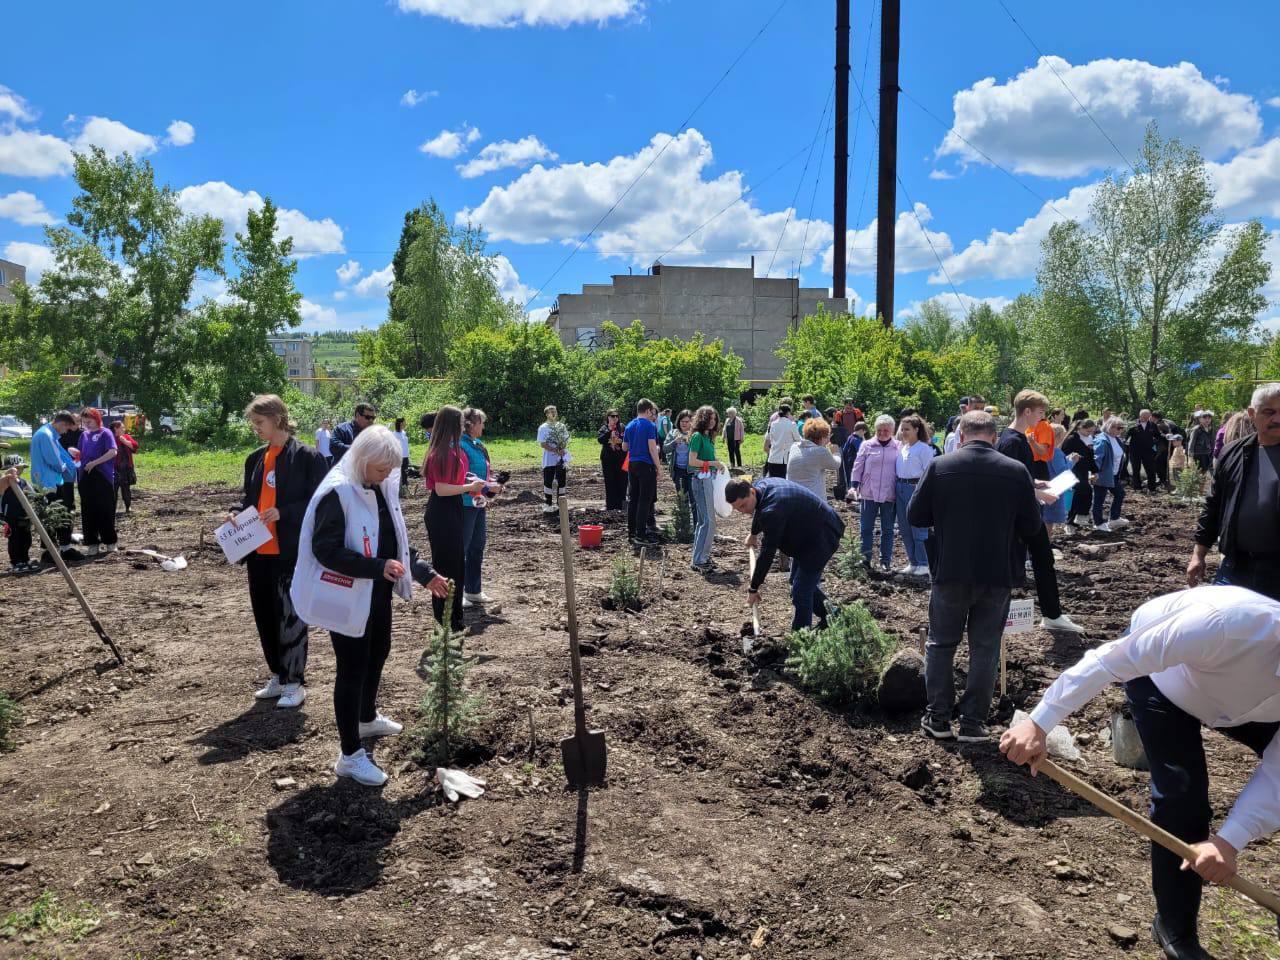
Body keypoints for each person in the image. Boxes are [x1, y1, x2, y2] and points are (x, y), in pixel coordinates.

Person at [1000, 585, 1280, 960]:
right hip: (1165, 682)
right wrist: (1039, 722)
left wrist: (1229, 841)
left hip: (1250, 707)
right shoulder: (1220, 625)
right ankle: (1176, 929)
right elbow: (1108, 661)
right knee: (1181, 795)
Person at [293, 425, 451, 787]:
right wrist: (375, 567)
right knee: (351, 669)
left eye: (389, 471)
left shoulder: (378, 486)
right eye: (381, 469)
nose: (386, 477)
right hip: (347, 595)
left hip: (377, 592)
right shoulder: (338, 492)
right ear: (363, 460)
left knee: (379, 650)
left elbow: (394, 538)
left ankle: (366, 717)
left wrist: (423, 574)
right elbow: (326, 549)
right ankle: (350, 755)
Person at [908, 411, 1043, 741]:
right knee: (985, 648)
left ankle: (937, 719)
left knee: (941, 644)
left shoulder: (941, 467)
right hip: (997, 573)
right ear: (994, 438)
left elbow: (915, 515)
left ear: (961, 434)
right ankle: (973, 723)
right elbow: (1033, 526)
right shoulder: (1015, 471)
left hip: (951, 569)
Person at [226, 394, 328, 709]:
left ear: (278, 419)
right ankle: (277, 674)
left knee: (290, 616)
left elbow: (321, 502)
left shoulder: (308, 458)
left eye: (259, 422)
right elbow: (248, 500)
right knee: (265, 616)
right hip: (257, 552)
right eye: (253, 423)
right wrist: (234, 513)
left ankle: (294, 680)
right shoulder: (254, 459)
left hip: (291, 552)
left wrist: (285, 512)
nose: (255, 428)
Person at [998, 390, 1085, 633]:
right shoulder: (1013, 441)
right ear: (1027, 411)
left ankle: (1052, 614)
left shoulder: (1016, 438)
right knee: (1018, 564)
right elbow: (1007, 482)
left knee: (1042, 559)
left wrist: (1035, 483)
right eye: (1040, 412)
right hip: (1018, 515)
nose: (1043, 417)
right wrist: (1038, 493)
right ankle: (1044, 614)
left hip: (1026, 510)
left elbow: (1018, 476)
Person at [1188, 383, 1280, 600]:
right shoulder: (1234, 453)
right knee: (1224, 627)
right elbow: (1213, 506)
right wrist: (1198, 555)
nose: (1277, 419)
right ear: (1252, 414)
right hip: (1235, 567)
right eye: (1269, 412)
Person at [727, 476, 845, 631]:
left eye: (743, 505)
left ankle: (802, 641)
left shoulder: (773, 509)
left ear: (751, 492)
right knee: (798, 584)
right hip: (807, 534)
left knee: (801, 592)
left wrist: (753, 588)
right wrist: (754, 533)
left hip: (822, 537)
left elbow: (767, 553)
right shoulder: (762, 487)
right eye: (738, 509)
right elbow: (758, 508)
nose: (743, 511)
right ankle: (833, 615)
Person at [423, 406, 486, 632]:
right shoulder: (441, 453)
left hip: (452, 508)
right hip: (442, 511)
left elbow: (452, 485)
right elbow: (441, 489)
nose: (463, 428)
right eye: (460, 424)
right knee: (447, 567)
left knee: (456, 565)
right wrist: (469, 486)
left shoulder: (449, 451)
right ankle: (445, 621)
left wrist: (477, 488)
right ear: (451, 425)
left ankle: (454, 619)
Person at [460, 407, 503, 610]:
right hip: (464, 503)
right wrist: (487, 486)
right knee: (462, 547)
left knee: (477, 545)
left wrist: (492, 482)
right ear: (470, 424)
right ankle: (457, 591)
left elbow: (481, 472)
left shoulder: (477, 445)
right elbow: (465, 475)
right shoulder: (460, 445)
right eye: (481, 422)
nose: (483, 426)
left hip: (478, 502)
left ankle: (473, 590)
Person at [848, 415, 899, 570]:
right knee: (866, 528)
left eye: (886, 430)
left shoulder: (898, 446)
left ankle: (885, 561)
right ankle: (865, 559)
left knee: (888, 529)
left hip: (889, 493)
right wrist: (854, 486)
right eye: (879, 430)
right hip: (868, 492)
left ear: (892, 430)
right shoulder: (867, 445)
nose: (882, 433)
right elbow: (858, 466)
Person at [29, 411, 79, 553]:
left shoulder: (46, 433)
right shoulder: (47, 435)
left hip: (47, 480)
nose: (65, 432)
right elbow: (55, 461)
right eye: (66, 428)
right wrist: (68, 467)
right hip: (49, 482)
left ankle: (50, 550)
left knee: (50, 515)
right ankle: (61, 549)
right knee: (57, 515)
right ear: (61, 423)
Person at [894, 415, 934, 576]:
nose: (903, 432)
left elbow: (929, 472)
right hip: (900, 487)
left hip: (915, 488)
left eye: (907, 429)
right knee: (905, 528)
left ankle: (924, 563)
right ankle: (913, 562)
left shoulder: (923, 448)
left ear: (917, 430)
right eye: (902, 429)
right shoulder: (903, 447)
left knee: (918, 528)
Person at [76, 408, 119, 556]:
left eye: (89, 421)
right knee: (88, 511)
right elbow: (80, 454)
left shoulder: (105, 433)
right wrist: (73, 452)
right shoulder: (84, 435)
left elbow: (113, 451)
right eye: (84, 421)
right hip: (85, 476)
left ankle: (110, 542)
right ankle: (92, 543)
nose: (87, 424)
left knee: (105, 509)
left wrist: (95, 463)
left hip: (102, 476)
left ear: (96, 419)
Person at [687, 405, 724, 573]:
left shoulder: (708, 438)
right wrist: (712, 464)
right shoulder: (697, 437)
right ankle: (700, 559)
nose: (712, 421)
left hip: (707, 479)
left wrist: (717, 465)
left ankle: (701, 556)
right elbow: (692, 461)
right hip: (700, 481)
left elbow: (706, 458)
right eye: (709, 418)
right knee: (708, 521)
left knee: (705, 521)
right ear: (702, 419)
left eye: (714, 419)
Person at [622, 399, 661, 545]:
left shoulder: (630, 425)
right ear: (648, 410)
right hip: (646, 465)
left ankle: (631, 532)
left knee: (633, 499)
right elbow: (652, 448)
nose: (653, 414)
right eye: (652, 411)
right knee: (645, 500)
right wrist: (658, 467)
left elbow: (625, 447)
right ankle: (640, 535)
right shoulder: (650, 425)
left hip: (632, 465)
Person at [786, 417, 842, 502]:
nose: (828, 440)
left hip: (792, 496)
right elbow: (836, 464)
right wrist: (836, 452)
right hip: (812, 499)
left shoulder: (794, 447)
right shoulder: (820, 451)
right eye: (827, 437)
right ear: (821, 437)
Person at [1090, 416, 1130, 534]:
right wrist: (1094, 473)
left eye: (1122, 428)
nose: (1121, 430)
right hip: (1102, 475)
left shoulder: (1117, 440)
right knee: (1099, 499)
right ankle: (1098, 524)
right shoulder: (1102, 440)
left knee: (1120, 493)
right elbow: (1097, 458)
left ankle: (1114, 518)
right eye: (1119, 428)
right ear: (1110, 427)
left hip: (1113, 475)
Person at [1061, 418, 1098, 535]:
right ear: (1080, 428)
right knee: (1078, 494)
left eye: (1092, 432)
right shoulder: (1072, 440)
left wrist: (1094, 471)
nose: (1090, 434)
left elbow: (1091, 457)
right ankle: (1070, 522)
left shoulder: (1089, 439)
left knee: (1086, 492)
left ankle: (1079, 517)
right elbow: (1065, 455)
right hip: (1073, 470)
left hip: (1083, 471)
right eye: (1088, 431)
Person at [1041, 424, 1076, 538]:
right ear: (1057, 436)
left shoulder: (1042, 449)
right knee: (1049, 520)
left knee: (1043, 517)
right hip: (1054, 488)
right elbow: (1062, 471)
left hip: (1043, 486)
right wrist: (1072, 461)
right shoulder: (1055, 452)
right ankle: (1046, 545)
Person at [0, 455, 33, 572]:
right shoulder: (4, 482)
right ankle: (16, 562)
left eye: (21, 468)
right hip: (10, 516)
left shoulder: (24, 482)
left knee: (26, 538)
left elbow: (33, 493)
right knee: (15, 539)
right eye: (16, 468)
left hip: (24, 515)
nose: (18, 471)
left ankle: (25, 560)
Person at [664, 409, 697, 524]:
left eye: (687, 421)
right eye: (682, 421)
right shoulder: (673, 433)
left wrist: (690, 443)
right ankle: (685, 526)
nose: (684, 424)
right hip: (678, 471)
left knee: (694, 500)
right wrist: (674, 442)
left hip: (692, 472)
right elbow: (665, 449)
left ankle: (697, 527)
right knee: (682, 499)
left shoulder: (695, 435)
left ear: (691, 422)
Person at [537, 405, 569, 515]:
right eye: (550, 412)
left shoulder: (562, 426)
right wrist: (555, 449)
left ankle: (561, 503)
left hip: (560, 458)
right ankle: (548, 503)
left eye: (554, 411)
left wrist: (561, 448)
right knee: (548, 480)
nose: (553, 413)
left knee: (562, 480)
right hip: (549, 459)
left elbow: (565, 439)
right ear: (546, 414)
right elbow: (542, 443)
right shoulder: (543, 427)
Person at [597, 409, 628, 511]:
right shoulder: (604, 428)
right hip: (608, 459)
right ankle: (610, 506)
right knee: (610, 482)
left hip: (621, 459)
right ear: (608, 417)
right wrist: (610, 431)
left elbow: (627, 439)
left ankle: (621, 505)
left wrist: (619, 440)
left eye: (616, 416)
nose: (615, 418)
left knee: (622, 481)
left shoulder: (622, 427)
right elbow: (600, 439)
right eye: (612, 416)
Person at [763, 403, 800, 478]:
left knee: (773, 481)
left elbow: (767, 438)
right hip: (784, 459)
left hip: (772, 458)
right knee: (783, 482)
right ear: (788, 413)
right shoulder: (791, 424)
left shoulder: (772, 424)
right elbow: (798, 440)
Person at [1127, 410, 1161, 492]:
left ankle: (1152, 488)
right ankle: (1137, 487)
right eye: (1144, 417)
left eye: (1147, 417)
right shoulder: (1133, 425)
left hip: (1148, 451)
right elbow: (1126, 436)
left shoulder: (1152, 425)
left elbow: (1158, 436)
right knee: (1136, 469)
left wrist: (1154, 443)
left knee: (1151, 469)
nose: (1146, 419)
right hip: (1135, 451)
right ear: (1140, 416)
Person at [111, 419, 139, 515]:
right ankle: (112, 509)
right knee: (113, 489)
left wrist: (126, 441)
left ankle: (128, 507)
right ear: (116, 429)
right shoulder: (110, 438)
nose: (124, 429)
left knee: (126, 488)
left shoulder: (126, 437)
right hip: (114, 468)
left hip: (126, 468)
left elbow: (135, 446)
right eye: (122, 427)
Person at [393, 417, 410, 488]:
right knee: (398, 473)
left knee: (405, 472)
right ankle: (399, 488)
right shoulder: (394, 434)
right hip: (399, 456)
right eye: (404, 422)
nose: (405, 423)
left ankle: (405, 487)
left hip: (406, 456)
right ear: (400, 423)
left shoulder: (404, 433)